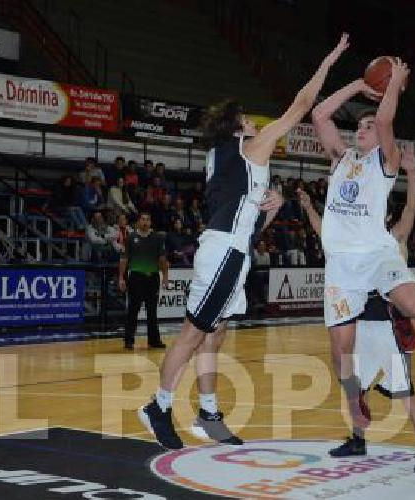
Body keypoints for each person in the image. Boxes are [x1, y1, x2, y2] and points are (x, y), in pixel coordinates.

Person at [138, 34, 350, 450]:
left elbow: (249, 221)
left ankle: (208, 413)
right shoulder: (249, 148)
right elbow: (301, 106)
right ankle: (157, 406)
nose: (257, 123)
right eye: (250, 119)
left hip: (232, 248)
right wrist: (330, 60)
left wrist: (273, 204)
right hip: (223, 253)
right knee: (193, 334)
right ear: (239, 126)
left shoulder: (225, 158)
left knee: (214, 334)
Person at [311, 54, 415, 454]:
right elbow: (321, 114)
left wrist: (393, 83)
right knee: (339, 350)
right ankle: (356, 400)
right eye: (358, 125)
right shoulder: (341, 158)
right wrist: (360, 87)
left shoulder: (386, 162)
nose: (362, 128)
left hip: (375, 254)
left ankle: (392, 312)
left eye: (368, 125)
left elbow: (386, 121)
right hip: (342, 264)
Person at [298, 145, 415, 471]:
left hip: (387, 326)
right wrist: (308, 207)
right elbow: (324, 232)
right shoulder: (350, 240)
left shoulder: (394, 238)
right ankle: (357, 438)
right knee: (353, 384)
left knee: (404, 389)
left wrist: (412, 171)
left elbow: (412, 208)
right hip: (360, 322)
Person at [118, 212, 168, 349]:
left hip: (152, 278)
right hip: (136, 277)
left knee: (152, 311)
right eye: (143, 219)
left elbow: (163, 260)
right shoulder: (130, 238)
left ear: (150, 222)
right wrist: (121, 278)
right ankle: (129, 340)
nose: (145, 222)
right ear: (138, 222)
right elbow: (123, 260)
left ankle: (154, 340)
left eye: (148, 219)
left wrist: (166, 277)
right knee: (133, 310)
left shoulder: (157, 238)